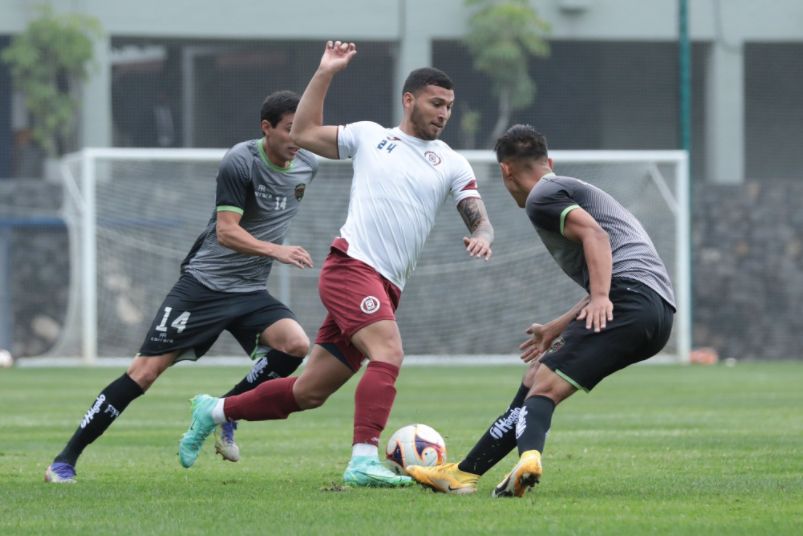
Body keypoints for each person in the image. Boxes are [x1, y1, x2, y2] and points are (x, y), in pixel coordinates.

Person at [177, 41, 494, 488]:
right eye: (435, 103)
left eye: (449, 106)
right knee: (388, 353)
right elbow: (304, 131)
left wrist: (482, 234)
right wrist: (325, 71)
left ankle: (214, 409)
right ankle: (363, 459)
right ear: (409, 100)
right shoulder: (369, 136)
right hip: (352, 268)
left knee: (308, 393)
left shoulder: (453, 162)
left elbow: (476, 211)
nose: (444, 113)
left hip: (387, 286)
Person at [44, 90, 319, 483]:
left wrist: (327, 72)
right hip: (204, 286)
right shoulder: (240, 161)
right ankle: (64, 460)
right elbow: (226, 233)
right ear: (267, 128)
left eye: (303, 130)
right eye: (291, 129)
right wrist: (277, 250)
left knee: (294, 345)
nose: (298, 138)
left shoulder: (309, 163)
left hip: (249, 289)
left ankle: (222, 411)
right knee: (144, 373)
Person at [406, 124, 676, 497]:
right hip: (657, 311)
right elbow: (613, 265)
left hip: (628, 299)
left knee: (544, 388)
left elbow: (595, 237)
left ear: (506, 170)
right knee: (536, 376)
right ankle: (462, 474)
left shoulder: (542, 196)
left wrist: (599, 298)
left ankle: (528, 459)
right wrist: (559, 325)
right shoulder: (564, 187)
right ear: (548, 161)